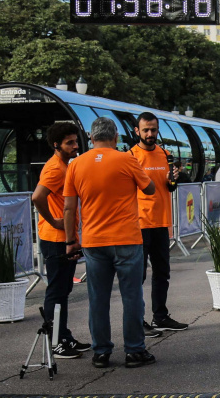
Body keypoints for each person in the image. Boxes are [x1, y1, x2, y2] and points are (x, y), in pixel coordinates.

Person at [63, 117, 157, 369]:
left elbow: (69, 207)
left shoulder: (75, 165)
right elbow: (150, 190)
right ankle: (134, 351)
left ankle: (101, 352)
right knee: (132, 297)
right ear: (115, 137)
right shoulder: (127, 159)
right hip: (127, 239)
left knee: (98, 298)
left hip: (93, 242)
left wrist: (71, 241)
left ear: (91, 138)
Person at [30, 122, 90, 359]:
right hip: (56, 239)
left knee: (63, 289)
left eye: (75, 141)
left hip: (64, 237)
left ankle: (63, 337)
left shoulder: (65, 165)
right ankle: (56, 342)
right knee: (56, 291)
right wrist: (53, 221)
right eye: (69, 143)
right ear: (57, 145)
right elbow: (37, 197)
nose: (75, 146)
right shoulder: (55, 168)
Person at [130, 112, 189, 334]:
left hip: (161, 222)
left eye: (153, 130)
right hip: (139, 223)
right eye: (145, 130)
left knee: (162, 272)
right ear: (137, 131)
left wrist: (173, 179)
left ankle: (160, 317)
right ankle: (137, 321)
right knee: (138, 276)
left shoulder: (166, 155)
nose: (150, 134)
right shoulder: (130, 156)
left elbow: (170, 187)